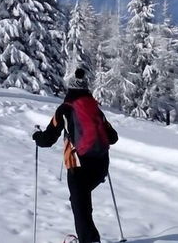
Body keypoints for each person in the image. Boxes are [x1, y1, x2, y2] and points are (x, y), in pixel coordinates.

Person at [32, 68, 118, 243]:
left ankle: (89, 240)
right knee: (81, 202)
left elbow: (47, 140)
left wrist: (36, 136)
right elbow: (113, 138)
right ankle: (91, 237)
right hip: (101, 165)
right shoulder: (95, 109)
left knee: (80, 206)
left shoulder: (64, 109)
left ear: (69, 89)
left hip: (78, 166)